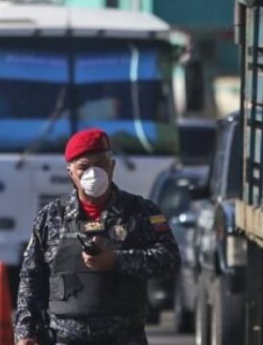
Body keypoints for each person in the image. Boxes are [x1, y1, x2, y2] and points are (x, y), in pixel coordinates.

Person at [14, 128, 181, 345]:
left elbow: (170, 260)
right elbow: (31, 278)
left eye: (100, 164)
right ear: (70, 172)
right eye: (84, 167)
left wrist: (117, 260)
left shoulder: (140, 212)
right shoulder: (51, 217)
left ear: (112, 167)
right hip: (64, 339)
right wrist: (25, 332)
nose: (93, 173)